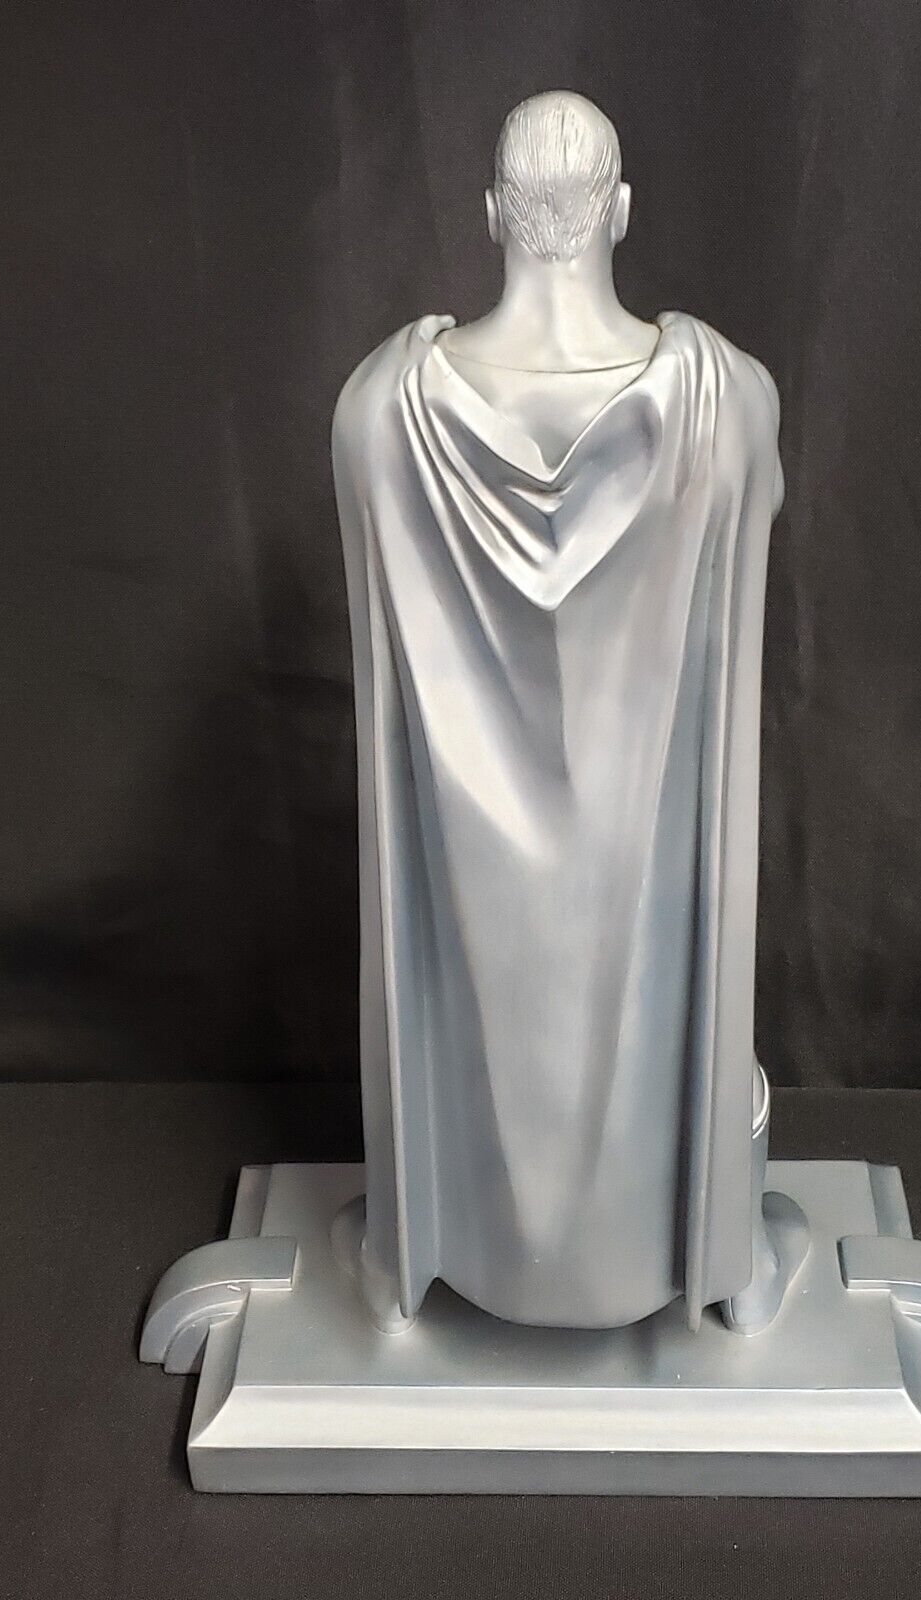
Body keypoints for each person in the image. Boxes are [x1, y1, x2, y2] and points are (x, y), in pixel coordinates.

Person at [333, 90, 793, 1337]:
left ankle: (439, 1243)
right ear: (622, 212)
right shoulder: (730, 402)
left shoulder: (379, 410)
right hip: (656, 907)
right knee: (660, 1006)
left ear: (492, 214)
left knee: (462, 999)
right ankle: (695, 1247)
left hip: (467, 938)